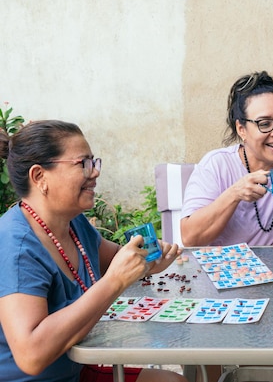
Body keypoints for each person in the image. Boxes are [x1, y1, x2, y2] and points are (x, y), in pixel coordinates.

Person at [0, 120, 186, 382]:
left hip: (75, 371)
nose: (95, 172)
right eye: (83, 164)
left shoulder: (73, 223)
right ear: (39, 177)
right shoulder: (15, 246)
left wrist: (148, 260)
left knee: (172, 380)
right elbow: (31, 355)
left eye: (94, 162)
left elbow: (114, 260)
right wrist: (114, 282)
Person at [181, 71, 273, 246]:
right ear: (241, 129)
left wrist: (261, 265)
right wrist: (235, 193)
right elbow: (190, 238)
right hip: (220, 269)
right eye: (264, 124)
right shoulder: (216, 165)